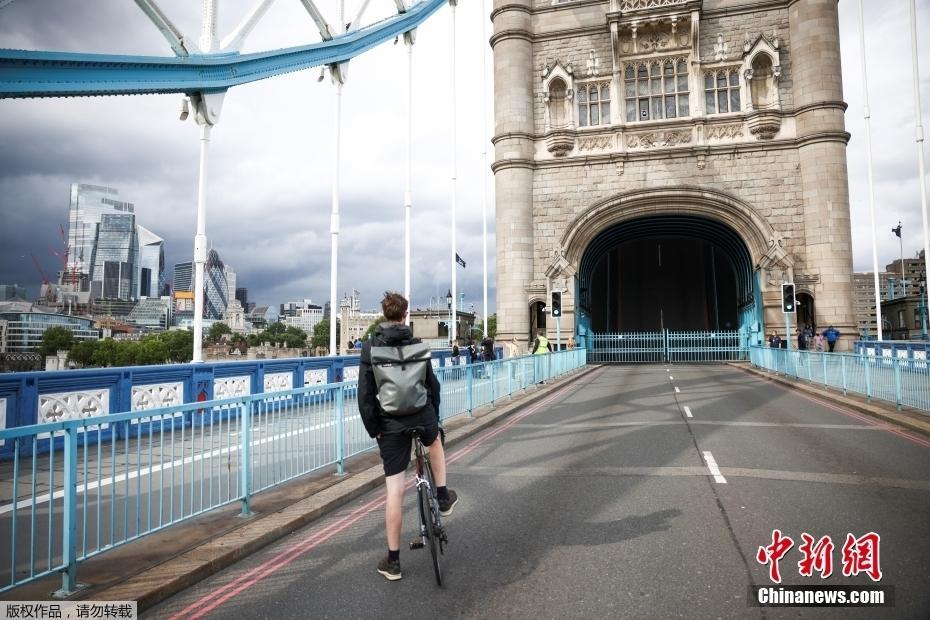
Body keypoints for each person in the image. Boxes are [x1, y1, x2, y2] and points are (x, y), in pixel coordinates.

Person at [358, 292, 458, 581]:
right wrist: (433, 415)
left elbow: (365, 395)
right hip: (421, 414)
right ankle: (442, 496)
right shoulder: (417, 345)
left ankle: (393, 562)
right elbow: (432, 385)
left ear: (384, 315)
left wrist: (374, 427)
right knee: (435, 441)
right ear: (405, 315)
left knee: (394, 491)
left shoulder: (371, 348)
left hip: (390, 423)